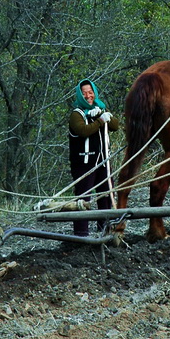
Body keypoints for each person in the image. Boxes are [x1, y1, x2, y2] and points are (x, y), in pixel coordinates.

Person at [67, 79, 119, 237]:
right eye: (85, 93)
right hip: (84, 164)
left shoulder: (100, 108)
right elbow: (83, 131)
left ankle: (104, 230)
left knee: (106, 196)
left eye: (91, 92)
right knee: (83, 200)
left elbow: (115, 126)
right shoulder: (76, 114)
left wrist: (104, 114)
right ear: (80, 96)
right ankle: (81, 234)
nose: (88, 96)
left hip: (103, 162)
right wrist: (99, 121)